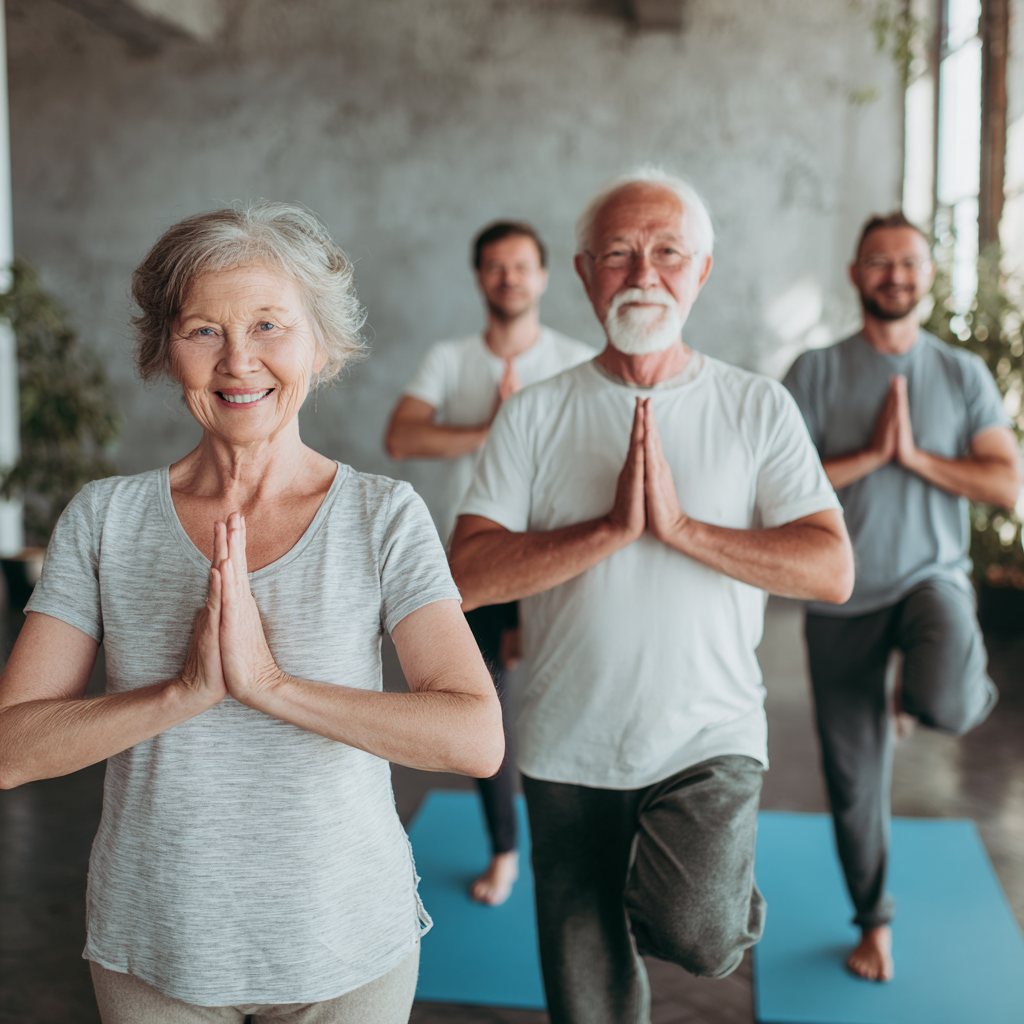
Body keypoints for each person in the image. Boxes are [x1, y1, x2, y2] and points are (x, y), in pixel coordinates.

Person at [0, 202, 504, 1024]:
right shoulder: (104, 519)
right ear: (168, 348)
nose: (239, 361)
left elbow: (474, 738)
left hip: (347, 946)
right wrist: (182, 694)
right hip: (156, 948)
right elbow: (11, 750)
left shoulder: (383, 515)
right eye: (204, 330)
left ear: (320, 343)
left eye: (270, 325)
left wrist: (267, 684)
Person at [447, 168, 855, 1024]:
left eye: (669, 253)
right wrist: (606, 530)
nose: (644, 274)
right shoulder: (534, 414)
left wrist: (680, 528)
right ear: (587, 273)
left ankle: (700, 889)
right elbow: (469, 574)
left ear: (701, 272)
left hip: (709, 733)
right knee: (587, 1005)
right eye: (620, 255)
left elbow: (829, 568)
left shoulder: (756, 406)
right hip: (566, 744)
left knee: (701, 932)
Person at [782, 211, 1019, 983]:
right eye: (878, 262)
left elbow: (1005, 483)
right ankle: (874, 922)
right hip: (838, 593)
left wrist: (915, 458)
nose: (894, 275)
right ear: (855, 274)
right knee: (854, 783)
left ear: (927, 275)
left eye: (908, 262)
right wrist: (871, 455)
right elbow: (776, 491)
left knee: (950, 703)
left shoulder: (960, 374)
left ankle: (924, 695)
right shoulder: (814, 371)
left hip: (931, 579)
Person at [385, 220, 592, 905]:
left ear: (544, 276)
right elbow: (401, 436)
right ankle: (506, 848)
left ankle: (582, 840)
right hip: (474, 568)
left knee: (568, 702)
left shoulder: (576, 359)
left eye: (522, 266)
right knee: (488, 714)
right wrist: (493, 428)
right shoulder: (450, 358)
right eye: (496, 267)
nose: (510, 277)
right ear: (480, 278)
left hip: (558, 563)